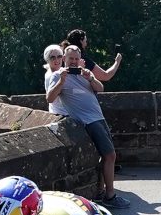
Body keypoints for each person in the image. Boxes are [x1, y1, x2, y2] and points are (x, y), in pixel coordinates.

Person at [46, 40, 120, 198]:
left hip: (98, 117)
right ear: (65, 58)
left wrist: (90, 78)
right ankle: (110, 195)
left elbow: (101, 88)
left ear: (79, 58)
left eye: (75, 58)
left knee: (105, 156)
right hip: (88, 121)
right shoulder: (58, 75)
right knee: (110, 155)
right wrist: (62, 81)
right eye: (70, 58)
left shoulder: (84, 72)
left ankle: (101, 191)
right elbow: (50, 98)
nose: (73, 61)